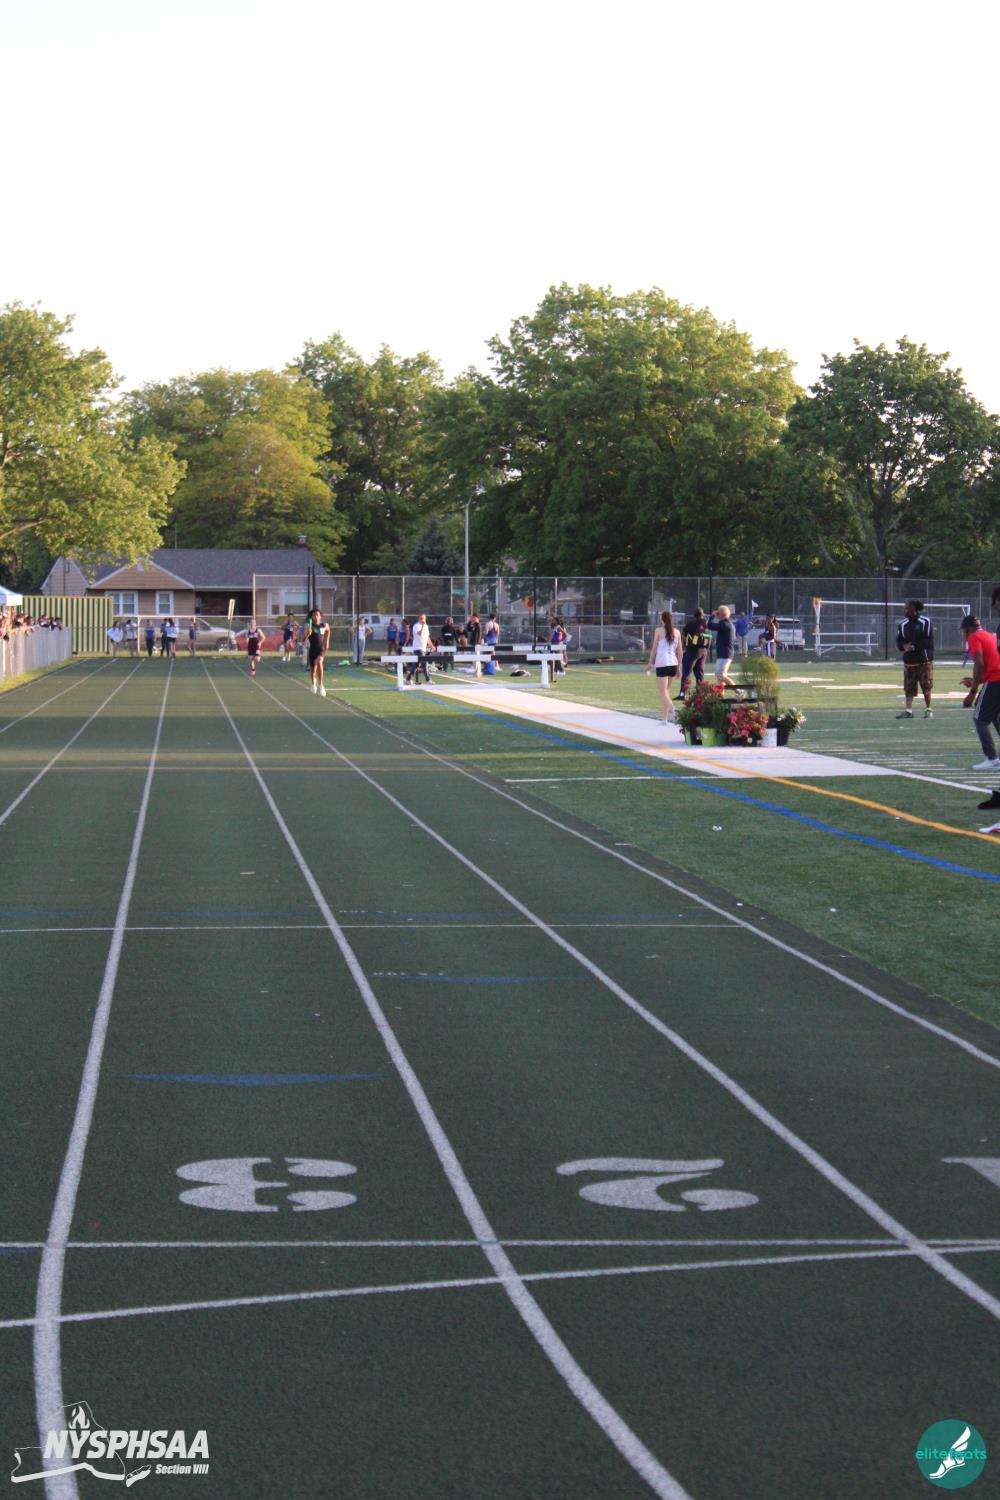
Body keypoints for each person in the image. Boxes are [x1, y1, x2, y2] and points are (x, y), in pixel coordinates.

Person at [959, 614, 1000, 771]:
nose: (964, 635)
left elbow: (979, 664)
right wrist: (976, 681)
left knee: (980, 718)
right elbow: (991, 665)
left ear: (968, 629)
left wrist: (972, 692)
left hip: (995, 680)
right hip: (996, 678)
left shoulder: (974, 637)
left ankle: (992, 759)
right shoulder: (989, 636)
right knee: (995, 717)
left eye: (964, 631)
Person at [895, 600, 934, 719]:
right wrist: (903, 646)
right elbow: (899, 640)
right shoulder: (902, 624)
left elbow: (927, 640)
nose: (904, 610)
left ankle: (928, 710)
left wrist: (914, 646)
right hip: (909, 662)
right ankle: (908, 711)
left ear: (914, 609)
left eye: (907, 608)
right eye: (904, 608)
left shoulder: (925, 622)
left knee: (926, 686)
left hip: (924, 661)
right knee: (908, 688)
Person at [645, 610, 682, 724]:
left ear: (662, 619)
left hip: (662, 663)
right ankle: (664, 719)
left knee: (663, 693)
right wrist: (679, 667)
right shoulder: (677, 632)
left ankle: (673, 709)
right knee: (666, 692)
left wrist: (650, 663)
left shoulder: (659, 630)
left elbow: (654, 649)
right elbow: (680, 652)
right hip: (673, 664)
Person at [680, 609, 711, 694]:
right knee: (699, 674)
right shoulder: (707, 624)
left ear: (694, 615)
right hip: (703, 651)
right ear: (702, 614)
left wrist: (688, 643)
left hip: (692, 650)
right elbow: (709, 637)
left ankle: (682, 693)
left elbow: (683, 634)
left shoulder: (691, 624)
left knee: (686, 673)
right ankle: (700, 693)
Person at [707, 606, 737, 687]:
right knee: (720, 678)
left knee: (720, 675)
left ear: (721, 614)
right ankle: (721, 694)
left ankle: (739, 691)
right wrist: (718, 615)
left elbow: (709, 625)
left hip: (725, 654)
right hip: (724, 653)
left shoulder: (724, 623)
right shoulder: (728, 623)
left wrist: (713, 616)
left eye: (718, 613)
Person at [306, 608, 330, 696]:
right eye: (314, 615)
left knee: (320, 662)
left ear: (320, 616)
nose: (316, 616)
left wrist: (327, 642)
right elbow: (303, 640)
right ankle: (313, 684)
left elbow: (328, 631)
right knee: (313, 670)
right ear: (311, 617)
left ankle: (321, 685)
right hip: (313, 650)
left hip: (321, 649)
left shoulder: (324, 625)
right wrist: (308, 634)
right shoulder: (309, 626)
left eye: (317, 615)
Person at [406, 613, 431, 684]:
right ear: (418, 619)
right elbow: (420, 633)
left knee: (416, 665)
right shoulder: (416, 626)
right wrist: (423, 625)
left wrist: (431, 645)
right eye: (421, 618)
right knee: (424, 664)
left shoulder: (426, 626)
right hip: (418, 648)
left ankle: (408, 679)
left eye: (424, 618)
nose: (423, 620)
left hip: (423, 648)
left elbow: (427, 637)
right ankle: (428, 680)